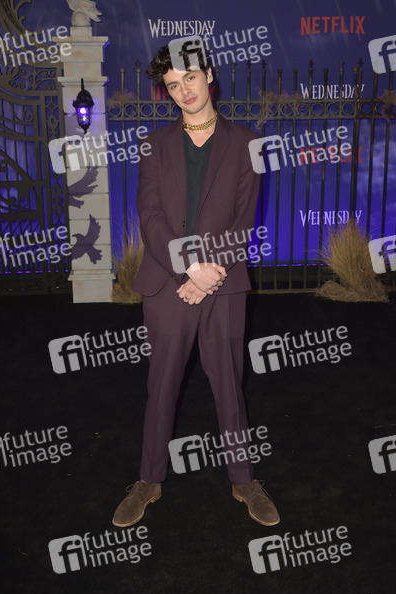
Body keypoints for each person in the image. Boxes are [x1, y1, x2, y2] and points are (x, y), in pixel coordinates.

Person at [112, 42, 279, 528]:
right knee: (161, 386)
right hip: (168, 285)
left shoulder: (247, 144)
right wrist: (189, 270)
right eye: (172, 85)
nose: (183, 90)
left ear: (208, 74)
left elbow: (243, 223)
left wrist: (208, 277)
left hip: (222, 285)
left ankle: (244, 479)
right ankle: (149, 479)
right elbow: (150, 216)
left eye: (189, 77)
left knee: (229, 387)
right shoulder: (154, 146)